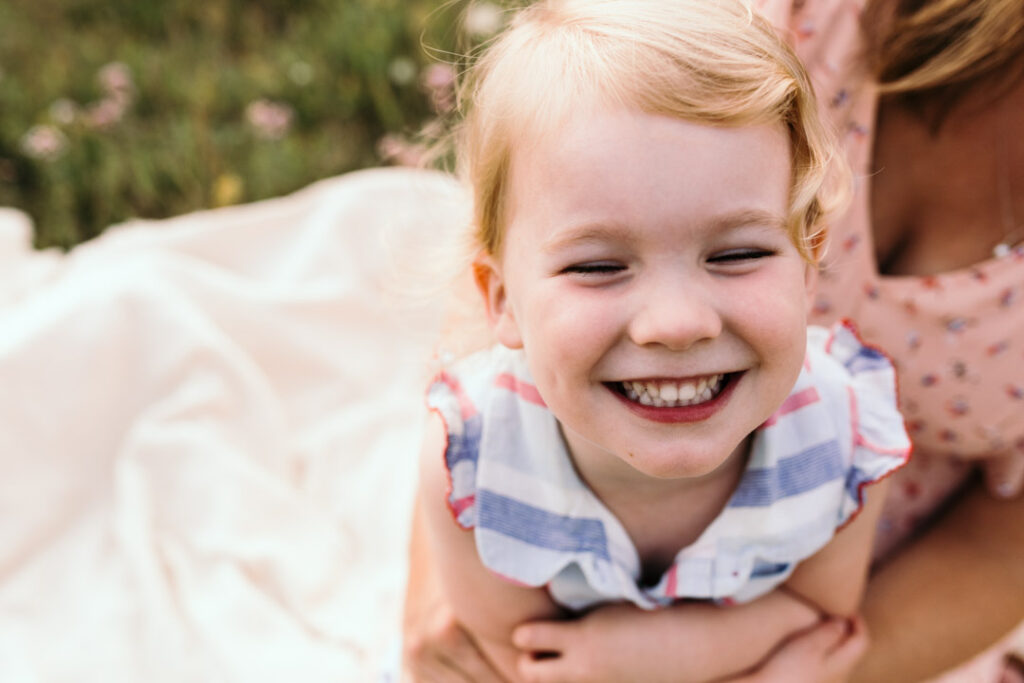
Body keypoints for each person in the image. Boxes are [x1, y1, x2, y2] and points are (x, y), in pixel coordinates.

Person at [403, 0, 1024, 681]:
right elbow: (508, 657)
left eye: (736, 255)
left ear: (810, 264)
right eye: (599, 266)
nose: (676, 323)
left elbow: (814, 616)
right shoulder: (475, 461)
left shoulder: (847, 440)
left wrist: (666, 655)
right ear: (500, 299)